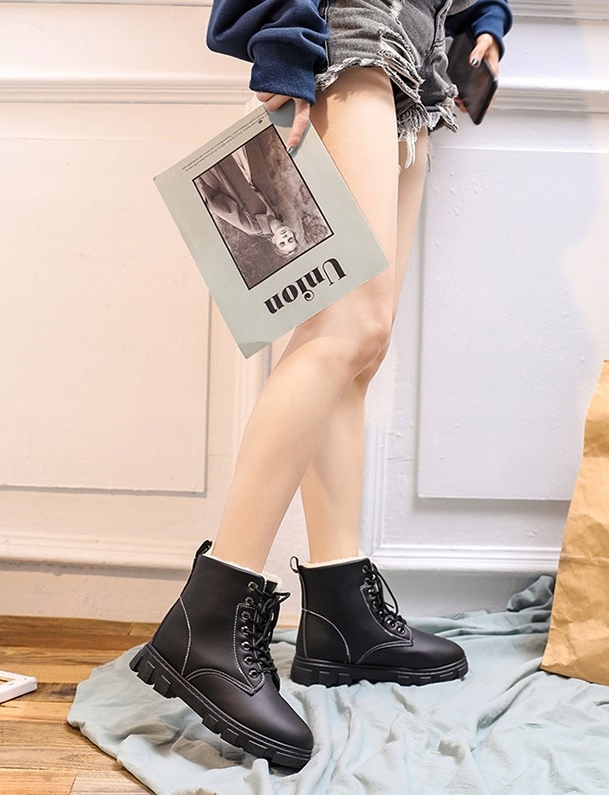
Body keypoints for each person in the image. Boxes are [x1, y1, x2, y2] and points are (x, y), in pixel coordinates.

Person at [130, 0, 513, 771]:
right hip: (348, 33)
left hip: (414, 51)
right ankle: (208, 618)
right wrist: (283, 40)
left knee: (362, 345)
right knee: (342, 328)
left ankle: (339, 611)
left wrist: (485, 16)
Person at [195, 144, 299, 258]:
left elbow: (221, 208)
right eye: (290, 239)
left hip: (226, 175)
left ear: (274, 241)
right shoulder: (276, 207)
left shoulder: (253, 227)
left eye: (282, 243)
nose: (285, 237)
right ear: (291, 231)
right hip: (245, 165)